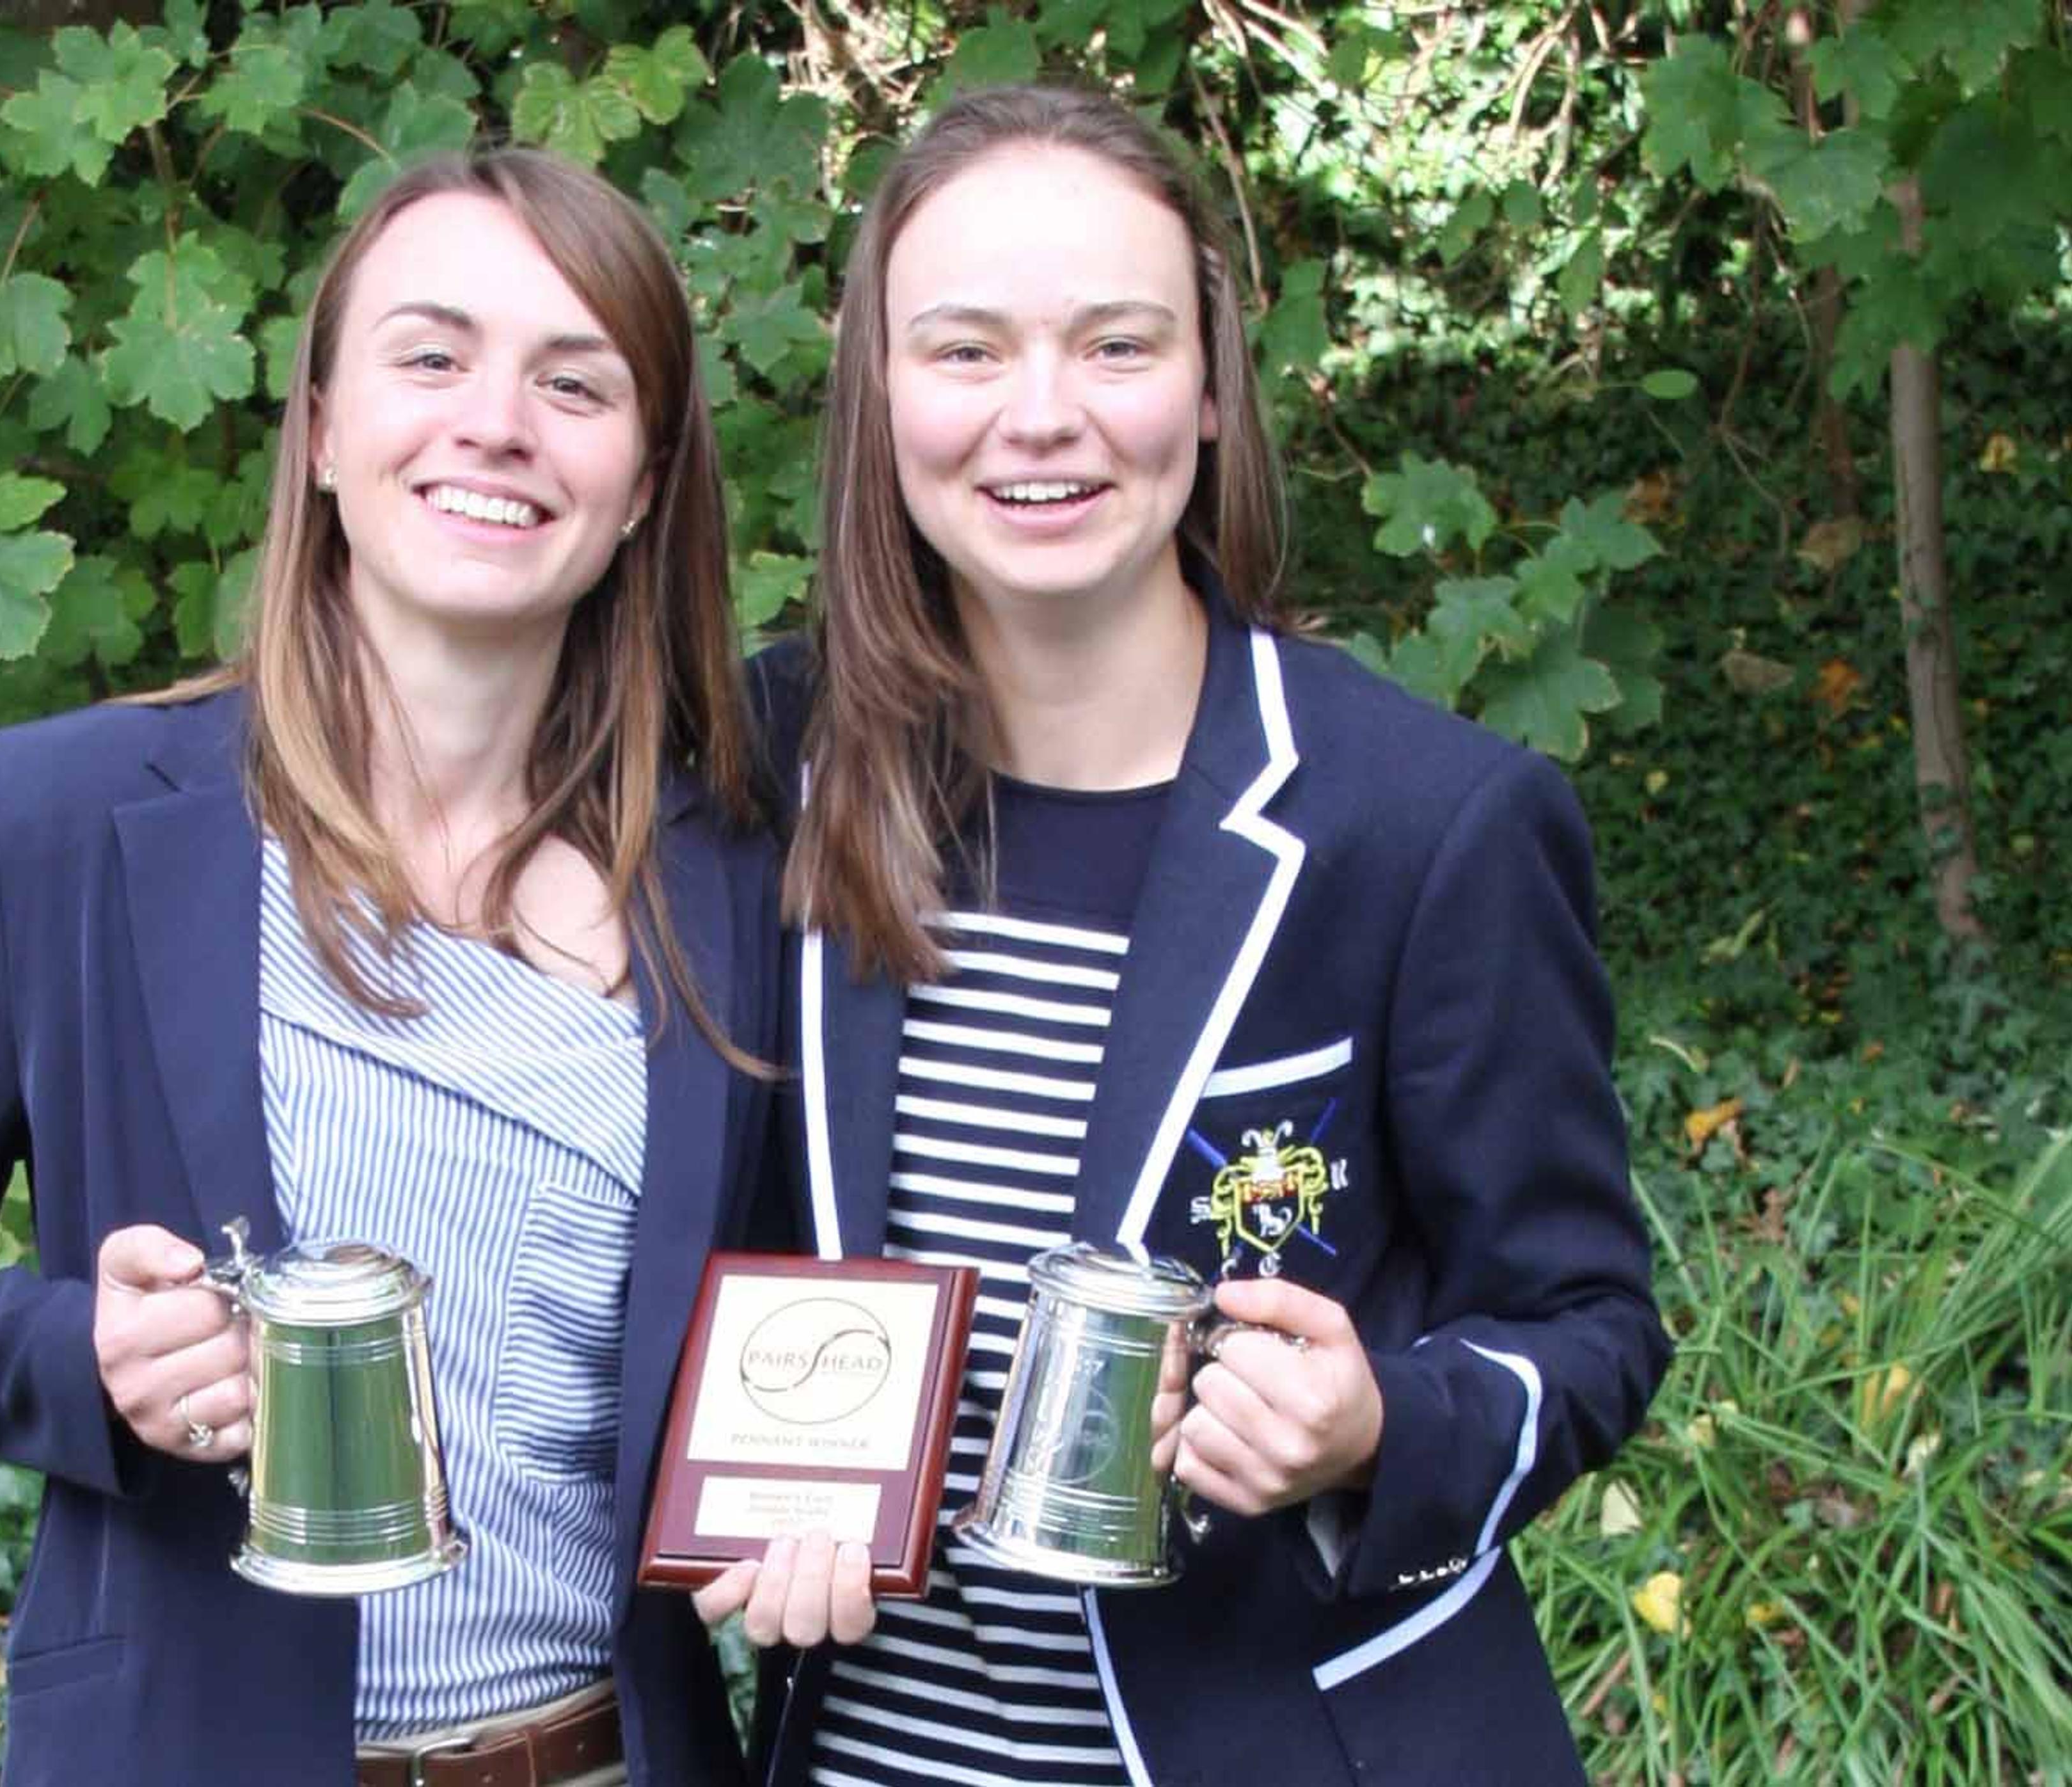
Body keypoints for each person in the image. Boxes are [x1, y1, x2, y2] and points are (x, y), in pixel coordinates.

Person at [0, 149, 776, 1787]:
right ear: (319, 429)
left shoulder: (733, 876)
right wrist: (80, 1356)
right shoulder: (71, 818)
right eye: (431, 356)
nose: (496, 423)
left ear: (645, 478)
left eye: (573, 382)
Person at [703, 85, 1672, 1785]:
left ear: (1212, 386)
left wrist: (1379, 1424)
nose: (1043, 415)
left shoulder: (1424, 821)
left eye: (1118, 345)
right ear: (879, 395)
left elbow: (1586, 1322)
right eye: (966, 350)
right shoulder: (758, 765)